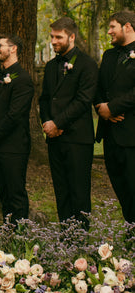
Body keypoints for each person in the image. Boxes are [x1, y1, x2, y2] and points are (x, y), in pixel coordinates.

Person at [39, 17, 97, 226]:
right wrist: (48, 123)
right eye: (52, 37)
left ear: (71, 37)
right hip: (54, 138)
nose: (53, 41)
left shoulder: (87, 64)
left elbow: (83, 100)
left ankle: (80, 236)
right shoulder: (50, 66)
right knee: (61, 190)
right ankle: (65, 234)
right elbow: (45, 99)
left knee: (79, 191)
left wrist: (58, 124)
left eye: (58, 37)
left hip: (78, 138)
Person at [0, 34, 34, 223]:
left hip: (14, 146)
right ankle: (8, 230)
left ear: (13, 49)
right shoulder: (0, 78)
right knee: (3, 191)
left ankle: (20, 232)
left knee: (15, 192)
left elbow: (15, 115)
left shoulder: (23, 79)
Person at [95, 10, 135, 222]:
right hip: (110, 135)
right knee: (121, 189)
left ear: (127, 26)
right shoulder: (109, 56)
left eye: (112, 27)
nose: (109, 31)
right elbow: (98, 87)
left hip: (132, 134)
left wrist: (114, 107)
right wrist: (102, 109)